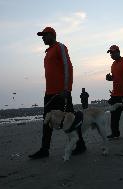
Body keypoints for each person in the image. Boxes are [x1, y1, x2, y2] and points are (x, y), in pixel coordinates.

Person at [29, 27, 86, 159]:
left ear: (52, 35)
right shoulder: (47, 52)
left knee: (71, 120)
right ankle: (44, 149)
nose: (42, 38)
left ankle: (80, 145)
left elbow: (68, 68)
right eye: (41, 36)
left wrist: (67, 89)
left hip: (62, 93)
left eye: (44, 35)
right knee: (47, 120)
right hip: (49, 93)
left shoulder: (60, 47)